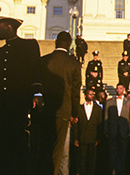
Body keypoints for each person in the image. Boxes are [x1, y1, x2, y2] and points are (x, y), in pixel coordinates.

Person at [0, 16, 42, 175]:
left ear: (9, 27)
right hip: (1, 105)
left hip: (19, 103)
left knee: (19, 145)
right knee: (1, 145)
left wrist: (37, 93)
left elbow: (34, 70)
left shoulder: (28, 46)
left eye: (0, 28)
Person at [38, 31, 82, 175]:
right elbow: (75, 92)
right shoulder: (74, 64)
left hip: (43, 111)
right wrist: (75, 113)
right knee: (57, 152)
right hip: (63, 111)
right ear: (69, 45)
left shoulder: (44, 61)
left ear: (55, 42)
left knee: (43, 148)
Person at [104, 83, 130, 175]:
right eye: (118, 88)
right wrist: (106, 131)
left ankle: (121, 172)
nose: (119, 90)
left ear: (124, 90)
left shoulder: (129, 102)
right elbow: (106, 117)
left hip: (124, 132)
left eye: (121, 88)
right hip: (112, 132)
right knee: (112, 154)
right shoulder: (109, 102)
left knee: (123, 154)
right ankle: (112, 172)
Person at [74, 88, 103, 175]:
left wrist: (98, 138)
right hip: (82, 138)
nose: (92, 95)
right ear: (85, 95)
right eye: (90, 94)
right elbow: (76, 125)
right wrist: (75, 138)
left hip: (93, 139)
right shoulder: (79, 108)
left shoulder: (98, 109)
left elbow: (100, 124)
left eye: (93, 94)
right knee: (82, 160)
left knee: (92, 161)